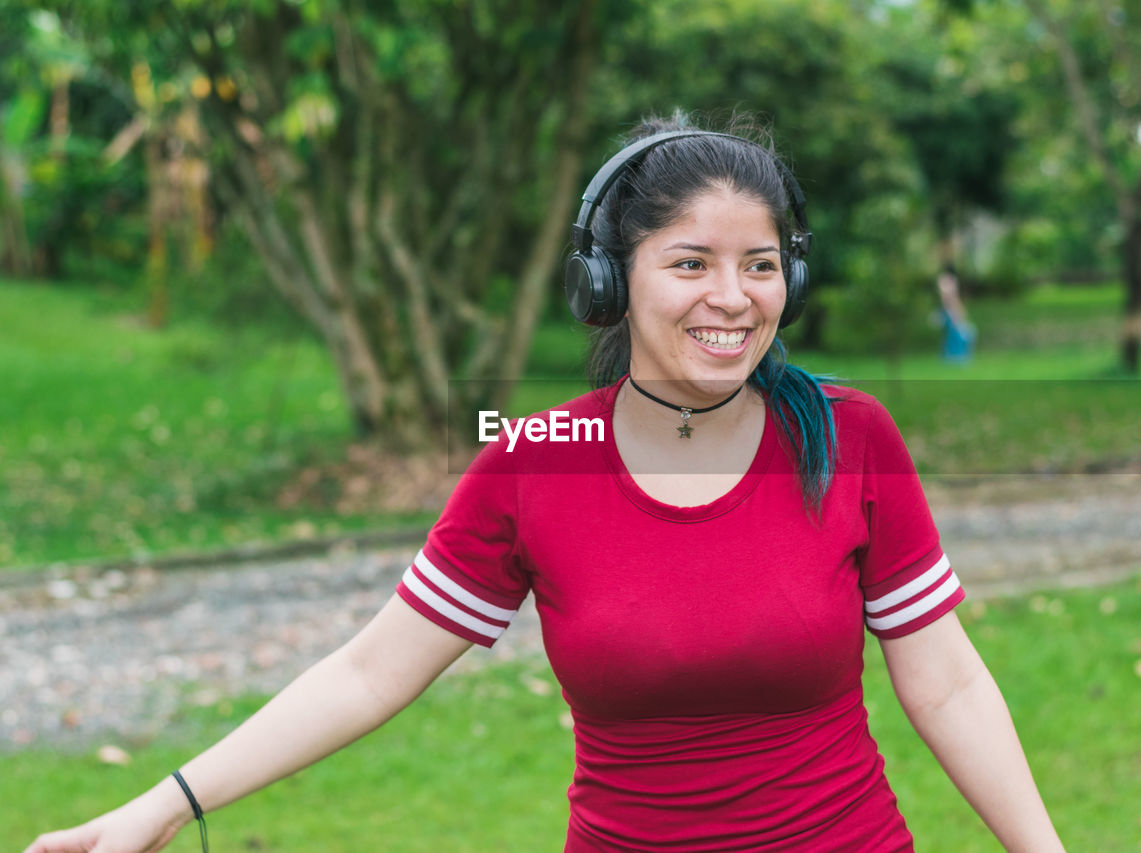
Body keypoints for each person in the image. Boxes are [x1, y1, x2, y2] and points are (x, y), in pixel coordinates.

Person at [26, 117, 1063, 852]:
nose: (733, 298)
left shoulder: (848, 436)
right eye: (690, 262)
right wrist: (165, 800)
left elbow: (947, 679)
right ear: (608, 281)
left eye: (759, 264)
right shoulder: (532, 464)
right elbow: (366, 674)